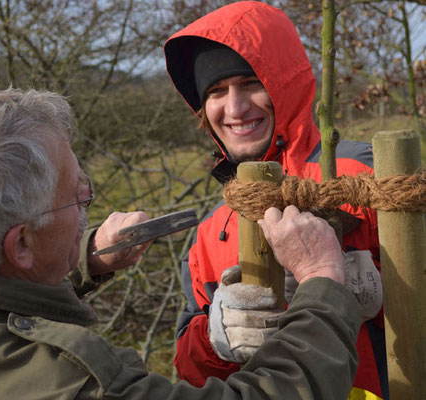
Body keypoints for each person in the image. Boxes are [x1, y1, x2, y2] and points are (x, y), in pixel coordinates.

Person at [0, 89, 371, 399]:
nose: (90, 207)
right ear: (20, 245)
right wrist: (322, 282)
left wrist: (85, 259)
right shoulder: (71, 384)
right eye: (79, 198)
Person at [163, 2, 386, 399]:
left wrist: (382, 289)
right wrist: (216, 340)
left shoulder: (361, 176)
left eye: (250, 83)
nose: (234, 108)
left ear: (285, 82)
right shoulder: (212, 231)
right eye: (216, 91)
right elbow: (188, 372)